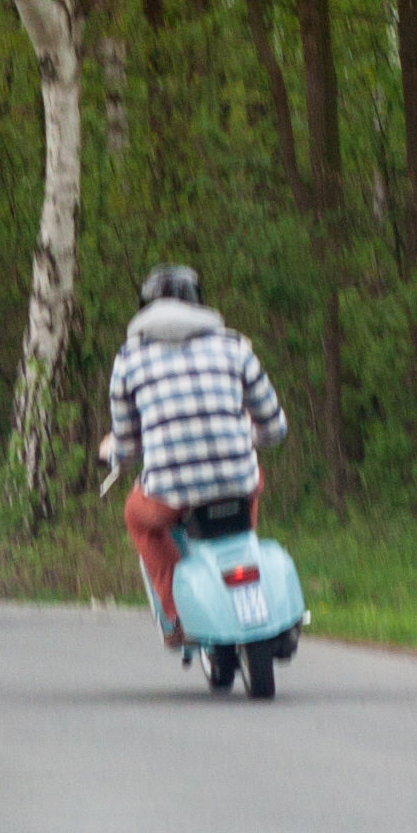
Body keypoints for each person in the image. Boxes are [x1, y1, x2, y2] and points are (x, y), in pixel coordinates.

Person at [106, 263, 287, 647]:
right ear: (199, 303)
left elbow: (127, 445)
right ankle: (247, 575)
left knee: (138, 517)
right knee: (248, 484)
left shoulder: (128, 359)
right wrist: (248, 434)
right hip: (237, 482)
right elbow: (274, 427)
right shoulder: (235, 346)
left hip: (171, 493)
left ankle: (177, 616)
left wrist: (113, 451)